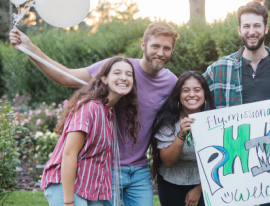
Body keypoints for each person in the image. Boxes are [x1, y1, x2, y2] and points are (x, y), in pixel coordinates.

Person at [9, 22, 179, 206]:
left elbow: (187, 107)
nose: (160, 53)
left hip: (139, 170)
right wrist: (29, 48)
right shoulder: (119, 69)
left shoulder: (171, 82)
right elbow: (65, 76)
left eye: (166, 48)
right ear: (143, 45)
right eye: (155, 46)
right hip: (104, 168)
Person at [41, 57, 140, 206]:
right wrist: (68, 202)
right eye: (117, 73)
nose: (124, 78)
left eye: (129, 74)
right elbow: (69, 153)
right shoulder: (90, 108)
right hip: (66, 185)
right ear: (104, 79)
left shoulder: (108, 111)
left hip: (88, 188)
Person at [150, 71, 216, 206]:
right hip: (171, 182)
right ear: (178, 95)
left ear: (205, 94)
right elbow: (168, 162)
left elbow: (220, 162)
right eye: (185, 90)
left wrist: (199, 189)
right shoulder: (167, 121)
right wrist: (181, 135)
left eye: (197, 90)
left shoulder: (215, 121)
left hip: (207, 182)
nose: (192, 95)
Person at [203, 1, 270, 109]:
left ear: (266, 29)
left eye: (257, 26)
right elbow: (191, 98)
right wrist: (185, 121)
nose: (251, 32)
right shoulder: (218, 69)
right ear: (239, 30)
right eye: (246, 26)